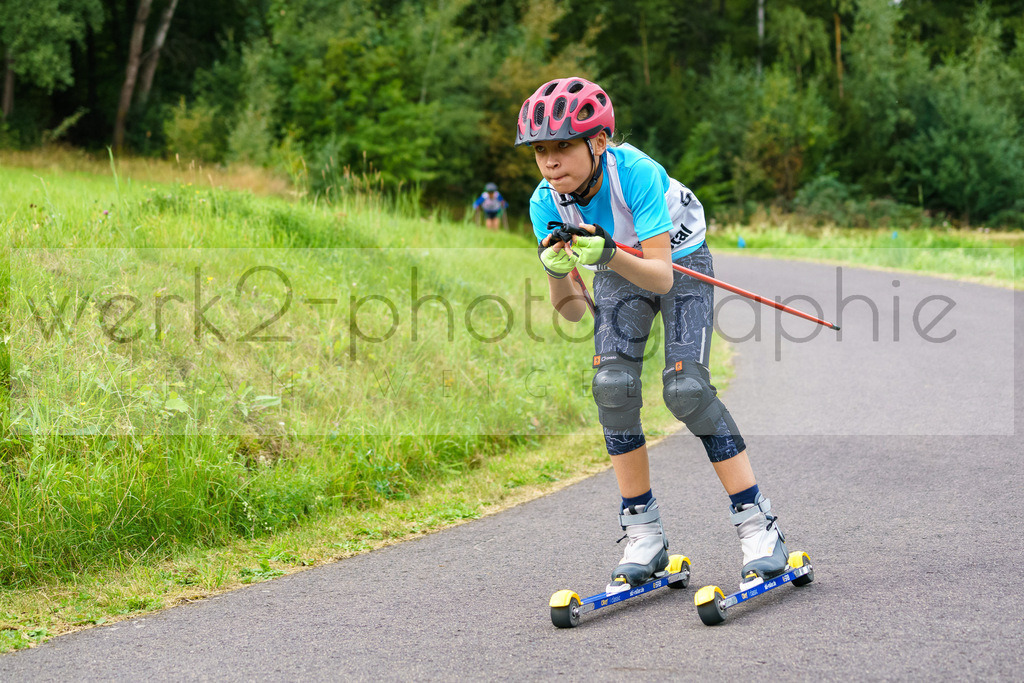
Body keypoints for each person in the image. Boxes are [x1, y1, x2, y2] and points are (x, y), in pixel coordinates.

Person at [516, 76, 794, 594]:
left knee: (687, 390)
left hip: (679, 259)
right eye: (539, 150)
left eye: (562, 146)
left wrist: (607, 252)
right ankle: (643, 534)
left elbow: (662, 277)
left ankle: (759, 528)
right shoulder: (544, 203)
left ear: (599, 142)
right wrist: (555, 271)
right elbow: (572, 311)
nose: (550, 162)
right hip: (618, 264)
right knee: (612, 387)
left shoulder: (636, 174)